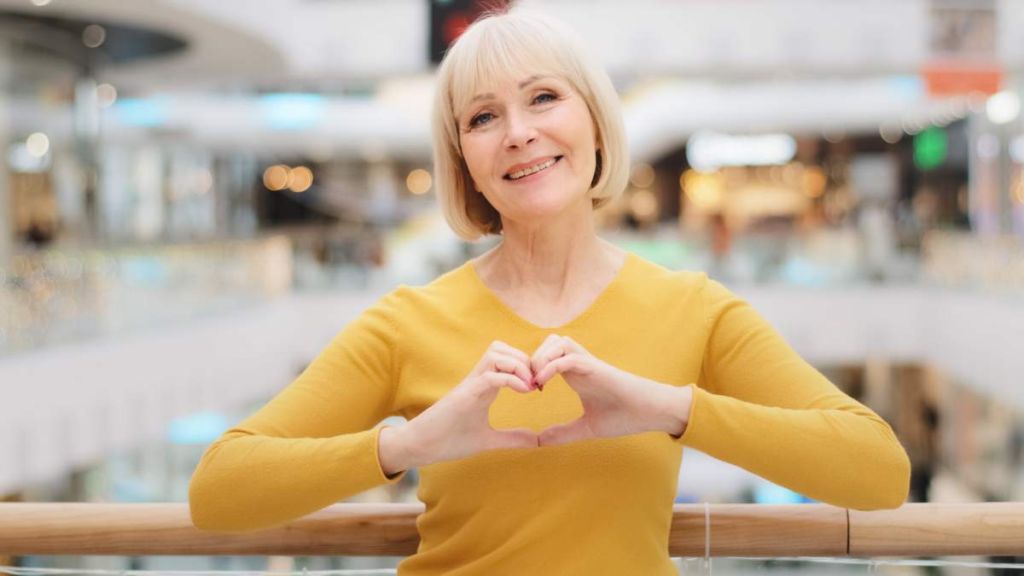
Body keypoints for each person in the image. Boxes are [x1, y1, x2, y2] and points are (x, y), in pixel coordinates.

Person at [189, 9, 910, 575]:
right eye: (482, 117)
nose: (519, 133)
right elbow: (220, 489)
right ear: (464, 162)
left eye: (543, 98)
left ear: (594, 120)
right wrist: (410, 442)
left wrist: (664, 408)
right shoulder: (407, 323)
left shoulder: (694, 310)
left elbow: (877, 471)